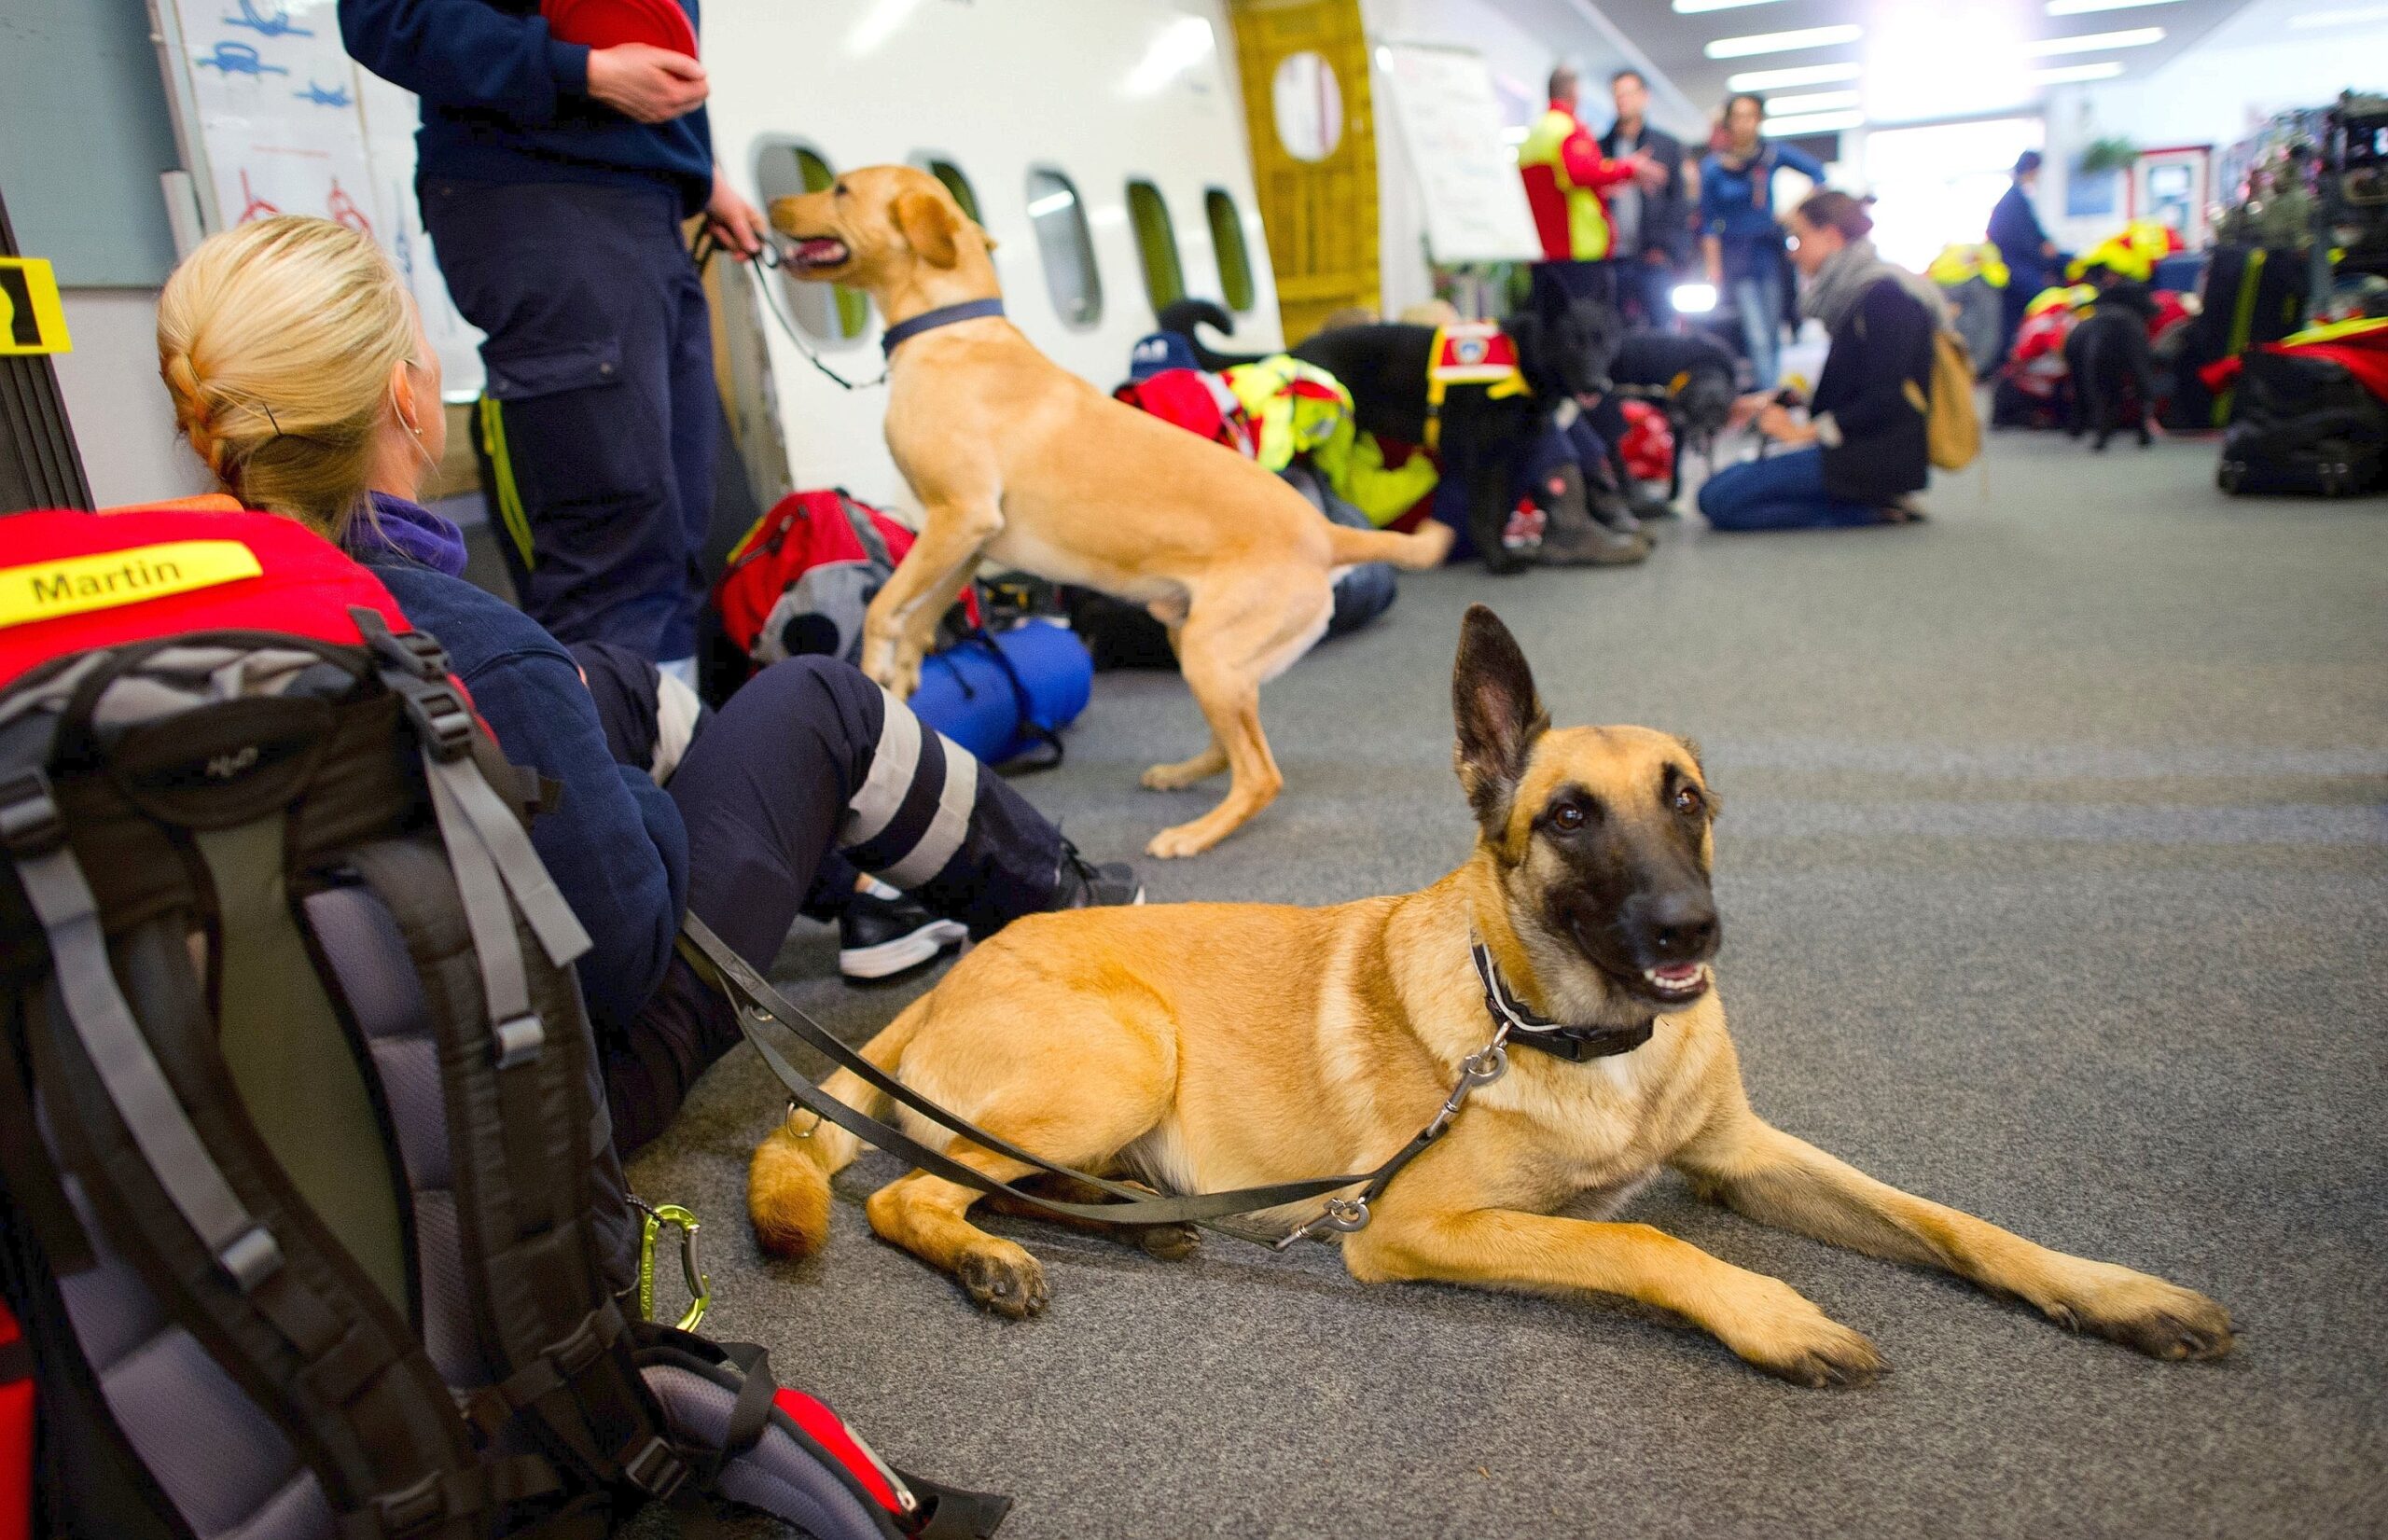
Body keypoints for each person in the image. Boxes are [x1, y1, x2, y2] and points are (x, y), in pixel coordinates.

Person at [155, 216, 1140, 1156]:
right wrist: (623, 794)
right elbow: (625, 959)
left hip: (346, 1085)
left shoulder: (165, 617)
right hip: (555, 1103)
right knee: (816, 706)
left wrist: (578, 721)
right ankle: (1085, 911)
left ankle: (861, 890)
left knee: (615, 682)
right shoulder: (485, 650)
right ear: (405, 403)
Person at [338, 0, 772, 688]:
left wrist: (699, 169)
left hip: (649, 195)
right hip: (540, 190)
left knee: (680, 538)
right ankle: (613, 785)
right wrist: (581, 72)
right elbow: (386, 16)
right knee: (614, 553)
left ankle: (667, 774)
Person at [1698, 190, 1935, 532]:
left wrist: (1802, 433)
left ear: (1832, 236)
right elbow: (1857, 384)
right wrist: (1785, 401)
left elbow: (1886, 398)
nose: (1792, 253)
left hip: (1875, 455)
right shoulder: (1856, 291)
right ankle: (1861, 502)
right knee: (1721, 487)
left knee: (1719, 500)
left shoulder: (1886, 295)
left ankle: (1870, 509)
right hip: (1854, 445)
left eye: (1798, 238)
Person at [1699, 94, 1826, 388]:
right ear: (1729, 122)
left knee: (1771, 329)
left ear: (1759, 120)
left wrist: (1794, 213)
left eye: (1750, 116)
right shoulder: (1714, 167)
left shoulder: (1770, 154)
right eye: (1738, 116)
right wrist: (1712, 267)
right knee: (1755, 333)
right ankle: (1768, 395)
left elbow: (1818, 173)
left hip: (1769, 252)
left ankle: (1771, 391)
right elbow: (1708, 222)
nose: (1744, 123)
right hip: (1736, 255)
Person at [1517, 64, 1655, 326]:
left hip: (1543, 250)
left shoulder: (1534, 133)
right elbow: (1580, 173)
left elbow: (1558, 183)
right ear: (1574, 92)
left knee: (1551, 326)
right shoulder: (1568, 129)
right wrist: (1628, 168)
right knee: (1584, 326)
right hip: (1577, 249)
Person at [1599, 69, 1695, 330]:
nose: (1622, 100)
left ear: (1644, 97)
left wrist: (1667, 248)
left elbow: (1677, 204)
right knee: (1615, 328)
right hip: (1613, 258)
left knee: (1660, 327)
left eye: (1628, 93)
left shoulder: (1666, 146)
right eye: (1617, 94)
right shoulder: (1602, 148)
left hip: (1652, 257)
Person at [1988, 149, 2060, 370]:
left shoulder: (2019, 198)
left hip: (2019, 264)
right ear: (2030, 169)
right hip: (2015, 267)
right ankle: (2039, 353)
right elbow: (2023, 242)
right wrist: (2045, 264)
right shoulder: (2013, 201)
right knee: (2047, 299)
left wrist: (2047, 249)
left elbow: (2036, 234)